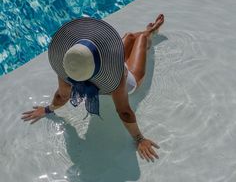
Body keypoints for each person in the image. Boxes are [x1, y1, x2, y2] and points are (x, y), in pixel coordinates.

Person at [22, 14, 165, 162]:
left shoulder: (69, 66)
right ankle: (150, 33)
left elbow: (62, 96)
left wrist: (47, 110)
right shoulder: (116, 76)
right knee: (141, 39)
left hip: (100, 69)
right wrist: (140, 139)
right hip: (129, 80)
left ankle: (144, 35)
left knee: (128, 36)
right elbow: (124, 111)